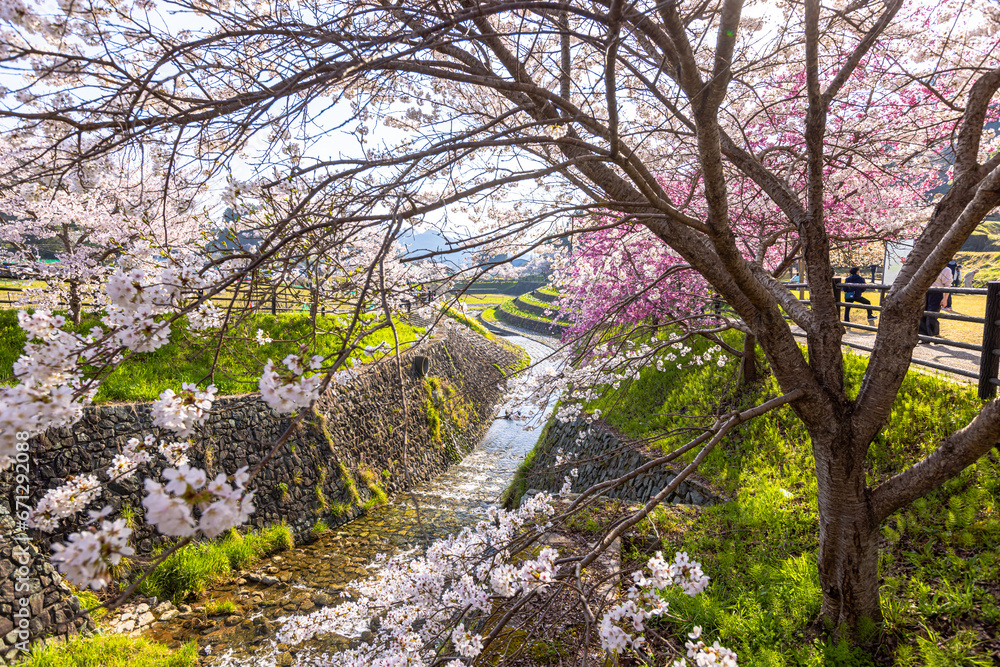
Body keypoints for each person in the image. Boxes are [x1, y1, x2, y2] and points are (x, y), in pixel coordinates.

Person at [919, 265, 953, 341]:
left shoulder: (946, 270)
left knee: (931, 315)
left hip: (937, 293)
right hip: (925, 293)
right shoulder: (927, 267)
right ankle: (924, 337)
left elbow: (948, 285)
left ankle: (933, 336)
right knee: (922, 315)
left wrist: (945, 299)